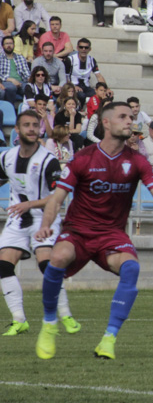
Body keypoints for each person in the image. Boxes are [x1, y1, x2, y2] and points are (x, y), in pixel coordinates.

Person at [33, 102, 153, 360]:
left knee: (131, 268)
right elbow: (56, 199)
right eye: (123, 117)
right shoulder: (84, 157)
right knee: (57, 258)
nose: (129, 122)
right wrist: (46, 225)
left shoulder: (137, 161)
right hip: (78, 231)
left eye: (131, 117)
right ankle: (49, 323)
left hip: (112, 234)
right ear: (106, 123)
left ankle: (109, 339)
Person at [0, 112, 79, 337]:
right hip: (17, 218)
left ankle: (65, 314)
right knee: (4, 266)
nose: (32, 129)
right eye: (27, 125)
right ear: (17, 129)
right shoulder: (6, 157)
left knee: (47, 264)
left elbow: (58, 196)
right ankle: (19, 320)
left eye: (36, 125)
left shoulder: (48, 160)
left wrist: (29, 204)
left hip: (44, 217)